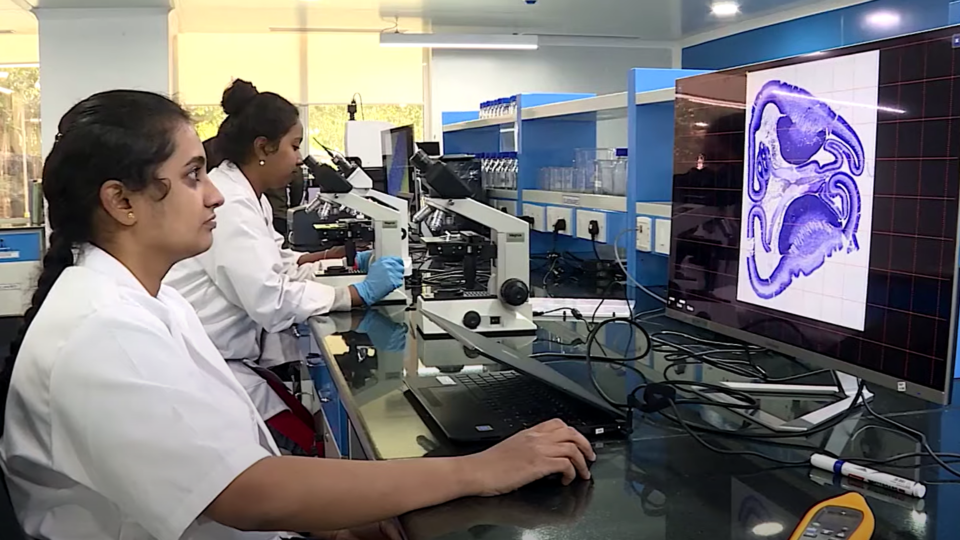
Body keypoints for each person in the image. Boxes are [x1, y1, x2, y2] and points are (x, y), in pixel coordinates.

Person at [0, 89, 596, 540]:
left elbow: (240, 471)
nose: (212, 195)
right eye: (191, 176)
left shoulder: (147, 300)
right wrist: (481, 469)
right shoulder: (101, 331)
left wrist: (339, 517)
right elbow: (248, 493)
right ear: (120, 201)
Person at [164, 80, 385, 422]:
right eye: (294, 146)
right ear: (263, 148)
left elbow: (277, 262)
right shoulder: (231, 202)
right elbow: (270, 297)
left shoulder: (249, 195)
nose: (298, 159)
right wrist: (356, 294)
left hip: (227, 358)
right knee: (304, 441)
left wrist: (341, 260)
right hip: (209, 366)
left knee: (302, 425)